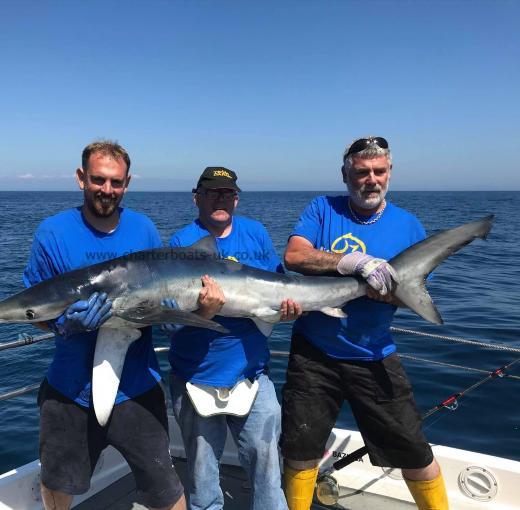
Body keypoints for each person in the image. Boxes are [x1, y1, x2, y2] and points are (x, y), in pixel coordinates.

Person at [279, 136, 449, 510]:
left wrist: (387, 290)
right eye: (361, 172)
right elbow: (294, 255)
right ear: (345, 174)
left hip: (374, 352)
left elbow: (411, 294)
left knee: (414, 453)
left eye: (379, 171)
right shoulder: (322, 208)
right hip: (313, 352)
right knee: (300, 449)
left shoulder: (408, 225)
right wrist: (351, 263)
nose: (370, 179)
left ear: (389, 173)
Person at [23, 140, 186, 510]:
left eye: (116, 182)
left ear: (127, 182)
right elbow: (34, 311)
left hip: (137, 385)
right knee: (58, 485)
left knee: (166, 489)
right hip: (69, 389)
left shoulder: (144, 229)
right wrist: (62, 324)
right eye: (98, 180)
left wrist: (171, 316)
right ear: (81, 177)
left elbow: (159, 293)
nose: (106, 190)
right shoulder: (52, 232)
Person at [165, 166, 301, 510]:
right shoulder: (181, 243)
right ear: (197, 198)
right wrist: (204, 313)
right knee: (202, 480)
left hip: (253, 373)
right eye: (212, 193)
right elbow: (169, 321)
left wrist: (286, 310)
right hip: (196, 376)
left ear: (237, 198)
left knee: (269, 474)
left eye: (227, 193)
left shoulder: (255, 233)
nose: (220, 199)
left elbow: (277, 285)